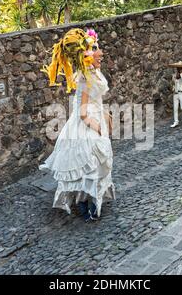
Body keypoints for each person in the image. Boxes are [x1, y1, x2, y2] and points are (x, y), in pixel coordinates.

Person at [39, 28, 115, 223]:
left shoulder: (93, 73)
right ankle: (86, 203)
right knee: (90, 163)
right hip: (86, 123)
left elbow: (96, 101)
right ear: (85, 54)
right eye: (96, 49)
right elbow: (82, 112)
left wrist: (106, 116)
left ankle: (90, 201)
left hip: (96, 118)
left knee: (94, 163)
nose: (101, 53)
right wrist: (96, 125)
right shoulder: (84, 78)